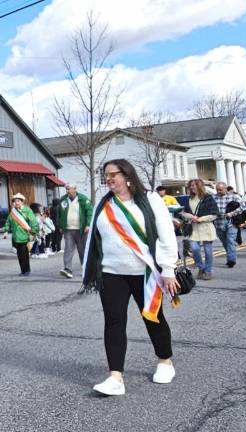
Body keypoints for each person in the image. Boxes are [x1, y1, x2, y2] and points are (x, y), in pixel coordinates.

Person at [82, 159, 179, 396]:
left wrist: (168, 269)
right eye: (105, 175)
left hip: (144, 272)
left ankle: (165, 361)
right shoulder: (103, 205)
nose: (109, 179)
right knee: (114, 322)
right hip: (112, 272)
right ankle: (116, 377)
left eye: (113, 174)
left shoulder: (150, 200)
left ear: (127, 175)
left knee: (153, 317)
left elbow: (166, 235)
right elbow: (96, 239)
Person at [180, 179, 219, 280]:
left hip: (206, 227)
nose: (191, 187)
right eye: (190, 186)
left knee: (208, 251)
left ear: (199, 186)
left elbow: (214, 214)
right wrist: (191, 217)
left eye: (193, 185)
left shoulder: (208, 198)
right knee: (195, 249)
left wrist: (200, 219)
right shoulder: (190, 199)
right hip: (194, 228)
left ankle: (208, 271)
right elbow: (183, 213)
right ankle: (201, 267)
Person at [57, 183, 93, 279]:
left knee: (82, 250)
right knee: (68, 249)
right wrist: (60, 226)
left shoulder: (83, 199)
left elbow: (89, 212)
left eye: (69, 189)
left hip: (81, 229)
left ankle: (86, 269)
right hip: (68, 229)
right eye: (66, 189)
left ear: (75, 189)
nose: (67, 191)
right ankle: (67, 269)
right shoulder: (63, 200)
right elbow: (59, 213)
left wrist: (88, 224)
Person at [3, 193, 39, 276]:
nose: (17, 203)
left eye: (18, 201)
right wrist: (6, 230)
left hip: (25, 235)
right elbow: (8, 221)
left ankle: (26, 270)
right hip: (16, 237)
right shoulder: (13, 212)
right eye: (15, 201)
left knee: (24, 253)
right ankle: (23, 270)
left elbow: (33, 222)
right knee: (19, 254)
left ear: (22, 202)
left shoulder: (27, 210)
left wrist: (33, 232)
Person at [214, 182, 243, 268]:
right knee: (225, 242)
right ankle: (230, 254)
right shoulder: (213, 197)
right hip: (218, 223)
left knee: (230, 240)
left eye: (220, 189)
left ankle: (231, 260)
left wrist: (232, 213)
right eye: (217, 190)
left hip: (231, 222)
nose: (218, 191)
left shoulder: (234, 196)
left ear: (226, 189)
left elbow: (243, 207)